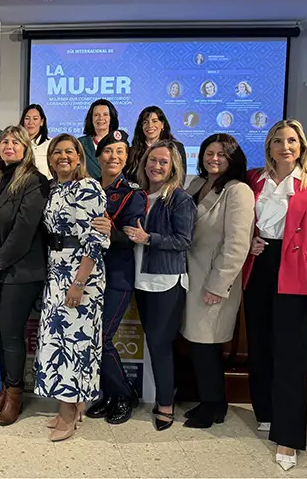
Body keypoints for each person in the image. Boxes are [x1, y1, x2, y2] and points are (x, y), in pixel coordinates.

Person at [241, 119, 307, 470]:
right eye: (278, 140)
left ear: (301, 145)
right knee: (261, 344)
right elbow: (241, 220)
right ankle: (265, 411)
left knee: (290, 355)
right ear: (269, 146)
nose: (285, 147)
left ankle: (289, 436)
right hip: (259, 263)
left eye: (292, 140)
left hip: (294, 270)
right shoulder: (254, 179)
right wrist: (248, 240)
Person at [34, 134, 109, 442]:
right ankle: (70, 406)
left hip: (81, 276)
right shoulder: (55, 188)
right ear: (50, 159)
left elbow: (96, 240)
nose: (63, 156)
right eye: (57, 152)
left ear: (79, 157)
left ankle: (68, 415)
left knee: (74, 345)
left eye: (69, 152)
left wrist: (79, 282)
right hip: (56, 271)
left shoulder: (89, 187)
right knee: (56, 343)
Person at [122, 140, 196, 431]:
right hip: (140, 281)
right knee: (153, 342)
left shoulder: (180, 199)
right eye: (152, 160)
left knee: (159, 344)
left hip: (166, 282)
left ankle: (166, 403)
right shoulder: (140, 196)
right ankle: (164, 395)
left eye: (163, 162)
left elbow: (184, 240)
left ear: (173, 166)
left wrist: (148, 238)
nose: (156, 166)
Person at [182, 134, 254, 429]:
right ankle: (212, 402)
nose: (213, 159)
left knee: (206, 344)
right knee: (198, 344)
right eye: (209, 153)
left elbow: (237, 244)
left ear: (232, 158)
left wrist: (218, 284)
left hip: (212, 279)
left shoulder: (238, 191)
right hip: (190, 276)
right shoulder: (196, 184)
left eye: (221, 155)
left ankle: (213, 405)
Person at [0, 126, 49, 426]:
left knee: (10, 334)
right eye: (4, 141)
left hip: (21, 270)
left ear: (26, 148)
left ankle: (15, 396)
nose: (9, 146)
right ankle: (5, 388)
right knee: (1, 332)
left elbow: (25, 228)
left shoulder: (35, 180)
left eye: (15, 142)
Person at [88, 130, 147, 425]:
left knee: (101, 338)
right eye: (109, 152)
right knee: (92, 338)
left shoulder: (133, 194)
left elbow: (133, 238)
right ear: (99, 157)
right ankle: (110, 394)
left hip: (116, 276)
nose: (114, 157)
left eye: (120, 152)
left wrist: (111, 233)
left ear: (126, 159)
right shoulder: (86, 188)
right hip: (87, 276)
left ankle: (125, 395)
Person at [126, 106, 188, 181]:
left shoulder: (176, 147)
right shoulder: (133, 151)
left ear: (162, 125)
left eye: (154, 121)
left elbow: (180, 178)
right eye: (145, 122)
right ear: (141, 127)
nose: (150, 126)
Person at [78, 99, 119, 179]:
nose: (101, 118)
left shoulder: (120, 142)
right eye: (96, 115)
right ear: (91, 118)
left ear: (111, 118)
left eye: (105, 114)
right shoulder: (81, 143)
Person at [19, 104, 51, 179]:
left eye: (35, 119)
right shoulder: (15, 144)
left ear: (42, 122)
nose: (31, 122)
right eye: (27, 118)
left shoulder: (50, 144)